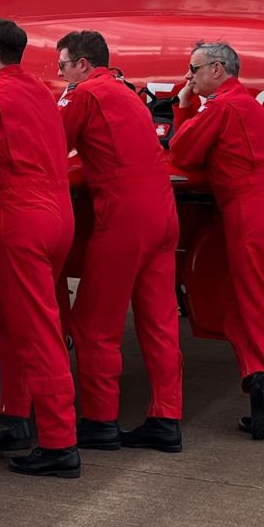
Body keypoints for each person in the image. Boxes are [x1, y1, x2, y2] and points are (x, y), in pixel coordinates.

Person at [0, 17, 79, 478]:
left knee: (40, 330)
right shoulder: (43, 93)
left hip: (24, 218)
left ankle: (61, 442)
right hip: (60, 215)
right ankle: (17, 416)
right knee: (14, 320)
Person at [55, 30, 185, 453]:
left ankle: (99, 421)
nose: (60, 76)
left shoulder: (85, 95)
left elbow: (49, 147)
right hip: (164, 214)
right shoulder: (129, 94)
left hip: (125, 217)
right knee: (160, 323)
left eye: (63, 66)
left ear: (83, 64)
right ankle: (166, 419)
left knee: (95, 324)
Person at [168, 41, 264, 440]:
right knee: (232, 306)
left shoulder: (222, 106)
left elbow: (183, 150)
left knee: (262, 314)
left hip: (250, 218)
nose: (188, 77)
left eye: (193, 70)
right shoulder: (245, 104)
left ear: (216, 70)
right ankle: (259, 379)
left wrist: (182, 104)